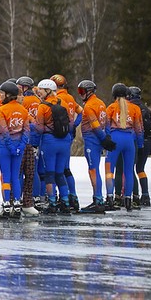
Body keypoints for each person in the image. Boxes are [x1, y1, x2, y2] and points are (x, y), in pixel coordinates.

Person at [77, 80, 115, 214]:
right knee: (94, 169)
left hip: (92, 140)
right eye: (79, 92)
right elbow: (107, 122)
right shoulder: (101, 103)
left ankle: (98, 200)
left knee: (93, 170)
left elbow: (96, 126)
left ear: (89, 91)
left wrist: (104, 139)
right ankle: (97, 199)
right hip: (98, 139)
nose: (80, 94)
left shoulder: (89, 106)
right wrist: (107, 137)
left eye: (82, 92)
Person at [34, 79, 72, 214]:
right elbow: (70, 123)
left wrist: (31, 122)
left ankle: (52, 203)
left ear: (47, 91)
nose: (39, 92)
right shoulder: (64, 104)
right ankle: (66, 202)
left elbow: (39, 128)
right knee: (60, 173)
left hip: (49, 141)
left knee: (50, 174)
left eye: (41, 90)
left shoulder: (42, 106)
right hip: (65, 141)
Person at [105, 83, 144, 211]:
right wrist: (140, 144)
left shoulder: (111, 107)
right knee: (129, 171)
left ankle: (110, 197)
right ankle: (128, 199)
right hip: (129, 139)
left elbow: (105, 126)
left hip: (115, 138)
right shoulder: (135, 108)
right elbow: (139, 129)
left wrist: (106, 140)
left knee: (110, 169)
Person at [0, 81, 30, 218]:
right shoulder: (23, 110)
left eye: (2, 93)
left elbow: (4, 131)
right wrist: (20, 147)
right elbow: (26, 132)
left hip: (5, 147)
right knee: (16, 176)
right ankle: (16, 203)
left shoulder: (2, 110)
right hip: (18, 148)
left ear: (8, 95)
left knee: (6, 177)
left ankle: (6, 205)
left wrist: (10, 147)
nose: (0, 96)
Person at [51, 74, 83, 211]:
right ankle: (73, 196)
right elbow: (81, 112)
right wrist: (74, 125)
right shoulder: (70, 97)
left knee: (58, 169)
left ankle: (62, 198)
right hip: (69, 133)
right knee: (66, 168)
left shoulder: (58, 98)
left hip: (59, 134)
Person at [16, 76, 41, 216]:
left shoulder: (23, 101)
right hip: (38, 137)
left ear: (24, 87)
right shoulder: (38, 100)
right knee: (33, 170)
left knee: (20, 170)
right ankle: (36, 197)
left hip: (25, 137)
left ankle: (19, 198)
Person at [127, 86, 151, 207]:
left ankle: (133, 195)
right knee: (140, 169)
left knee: (130, 168)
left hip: (136, 141)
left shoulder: (131, 108)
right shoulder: (146, 110)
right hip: (147, 141)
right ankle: (146, 194)